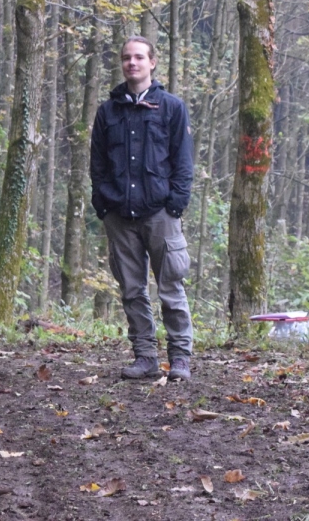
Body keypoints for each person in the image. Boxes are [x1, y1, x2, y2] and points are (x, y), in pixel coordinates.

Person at [90, 36, 195, 381]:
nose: (131, 63)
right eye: (126, 58)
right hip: (119, 215)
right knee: (132, 291)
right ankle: (145, 356)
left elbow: (183, 162)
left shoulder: (172, 108)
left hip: (161, 213)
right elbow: (97, 164)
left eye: (138, 57)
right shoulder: (108, 112)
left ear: (152, 62)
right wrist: (103, 204)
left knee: (171, 288)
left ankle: (180, 358)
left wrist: (175, 204)